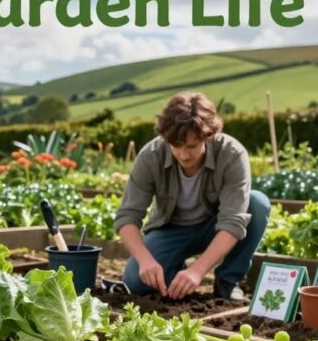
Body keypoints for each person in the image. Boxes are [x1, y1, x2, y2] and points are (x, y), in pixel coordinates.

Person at [114, 91, 270, 300]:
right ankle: (175, 272)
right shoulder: (151, 156)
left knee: (257, 203)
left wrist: (198, 270)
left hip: (213, 227)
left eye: (191, 146)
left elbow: (233, 221)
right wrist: (145, 261)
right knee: (136, 282)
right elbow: (127, 217)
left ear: (208, 136)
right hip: (170, 230)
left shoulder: (232, 154)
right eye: (176, 146)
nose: (183, 155)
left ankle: (228, 281)